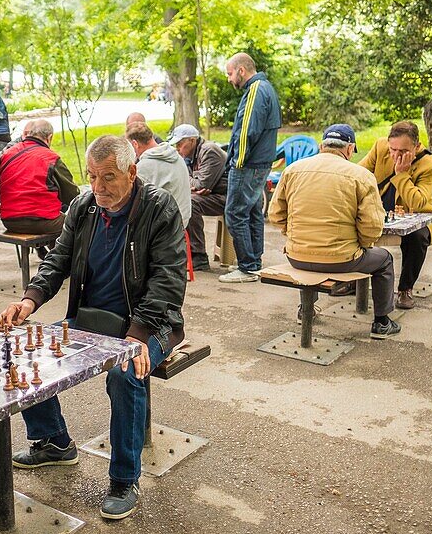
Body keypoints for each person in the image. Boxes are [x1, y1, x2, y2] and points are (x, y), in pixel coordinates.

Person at [0, 135, 187, 520]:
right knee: (25, 350)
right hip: (91, 319)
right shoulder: (83, 207)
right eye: (92, 177)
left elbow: (167, 281)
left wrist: (136, 337)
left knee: (124, 373)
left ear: (132, 173)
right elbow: (58, 261)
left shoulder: (159, 208)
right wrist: (29, 300)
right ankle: (54, 441)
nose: (98, 188)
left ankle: (123, 479)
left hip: (150, 324)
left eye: (108, 177)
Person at [268, 125, 401, 339]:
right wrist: (362, 245)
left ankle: (306, 309)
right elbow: (372, 227)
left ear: (322, 146)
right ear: (350, 149)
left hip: (296, 257)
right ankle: (382, 322)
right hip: (341, 260)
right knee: (384, 259)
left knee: (309, 251)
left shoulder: (292, 170)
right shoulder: (361, 175)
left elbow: (275, 215)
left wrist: (294, 234)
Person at [358, 120, 432, 310]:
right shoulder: (381, 147)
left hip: (414, 214)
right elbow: (358, 174)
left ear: (416, 146)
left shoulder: (429, 164)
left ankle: (405, 289)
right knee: (350, 222)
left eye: (404, 152)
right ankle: (349, 279)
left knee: (418, 236)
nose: (396, 155)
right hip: (380, 209)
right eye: (393, 150)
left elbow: (419, 203)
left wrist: (401, 174)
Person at [221, 52, 281, 283]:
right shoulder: (265, 88)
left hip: (249, 164)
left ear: (241, 70)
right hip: (260, 163)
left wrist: (238, 161)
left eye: (229, 73)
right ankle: (254, 262)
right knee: (253, 211)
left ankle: (247, 267)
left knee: (235, 213)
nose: (229, 79)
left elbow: (247, 130)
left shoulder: (256, 90)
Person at [0, 119, 79, 235]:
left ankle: (44, 252)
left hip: (9, 220)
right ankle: (60, 253)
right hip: (41, 221)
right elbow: (72, 196)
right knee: (77, 225)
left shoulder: (7, 154)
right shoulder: (50, 158)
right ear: (49, 137)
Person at [167, 123, 229, 272]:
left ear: (192, 140)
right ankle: (184, 251)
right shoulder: (189, 155)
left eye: (180, 143)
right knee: (181, 198)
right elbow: (194, 184)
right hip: (215, 194)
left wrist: (191, 181)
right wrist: (193, 182)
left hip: (227, 197)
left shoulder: (209, 151)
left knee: (191, 202)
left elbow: (201, 184)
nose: (177, 148)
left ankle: (198, 255)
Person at [126, 121, 190, 230]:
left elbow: (131, 203)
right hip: (184, 219)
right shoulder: (177, 156)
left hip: (167, 227)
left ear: (135, 144)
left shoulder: (144, 167)